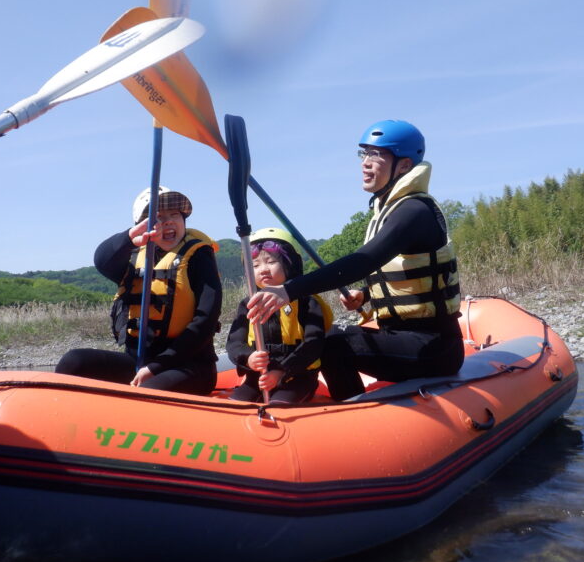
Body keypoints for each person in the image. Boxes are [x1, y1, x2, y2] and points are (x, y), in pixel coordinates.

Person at [246, 120, 464, 401]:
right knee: (332, 335)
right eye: (364, 154)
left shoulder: (414, 211)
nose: (366, 163)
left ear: (404, 165)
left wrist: (289, 290)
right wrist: (364, 296)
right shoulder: (389, 211)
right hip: (404, 339)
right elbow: (399, 276)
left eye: (377, 155)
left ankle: (352, 413)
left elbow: (364, 261)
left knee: (332, 344)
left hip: (434, 348)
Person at [55, 186, 222, 395]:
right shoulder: (133, 260)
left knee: (146, 391)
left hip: (189, 365)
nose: (168, 221)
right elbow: (102, 260)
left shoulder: (199, 257)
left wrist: (156, 366)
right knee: (75, 361)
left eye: (175, 214)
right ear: (144, 227)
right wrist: (129, 237)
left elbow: (205, 321)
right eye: (158, 217)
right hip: (138, 362)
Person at [226, 228, 332, 403]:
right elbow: (234, 343)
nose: (263, 270)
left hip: (297, 376)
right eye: (255, 265)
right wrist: (248, 358)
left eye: (270, 261)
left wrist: (282, 371)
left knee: (279, 405)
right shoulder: (247, 305)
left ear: (289, 265)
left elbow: (314, 345)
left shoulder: (307, 302)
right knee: (235, 404)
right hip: (257, 378)